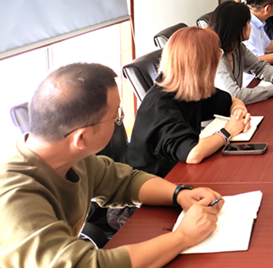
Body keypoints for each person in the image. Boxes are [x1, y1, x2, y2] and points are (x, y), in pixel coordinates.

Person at [0, 62, 223, 268]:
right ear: (81, 138)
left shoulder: (73, 157)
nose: (119, 120)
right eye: (117, 115)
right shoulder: (16, 198)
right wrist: (183, 236)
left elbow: (125, 182)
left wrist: (178, 194)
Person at [128, 27, 252, 177]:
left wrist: (238, 112)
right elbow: (193, 154)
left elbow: (232, 100)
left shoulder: (190, 89)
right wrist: (228, 132)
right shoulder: (161, 106)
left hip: (180, 169)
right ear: (203, 65)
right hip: (155, 180)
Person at [210, 0, 273, 103]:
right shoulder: (216, 57)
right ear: (236, 27)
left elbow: (259, 66)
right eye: (247, 23)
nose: (250, 26)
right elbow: (234, 95)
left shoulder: (237, 48)